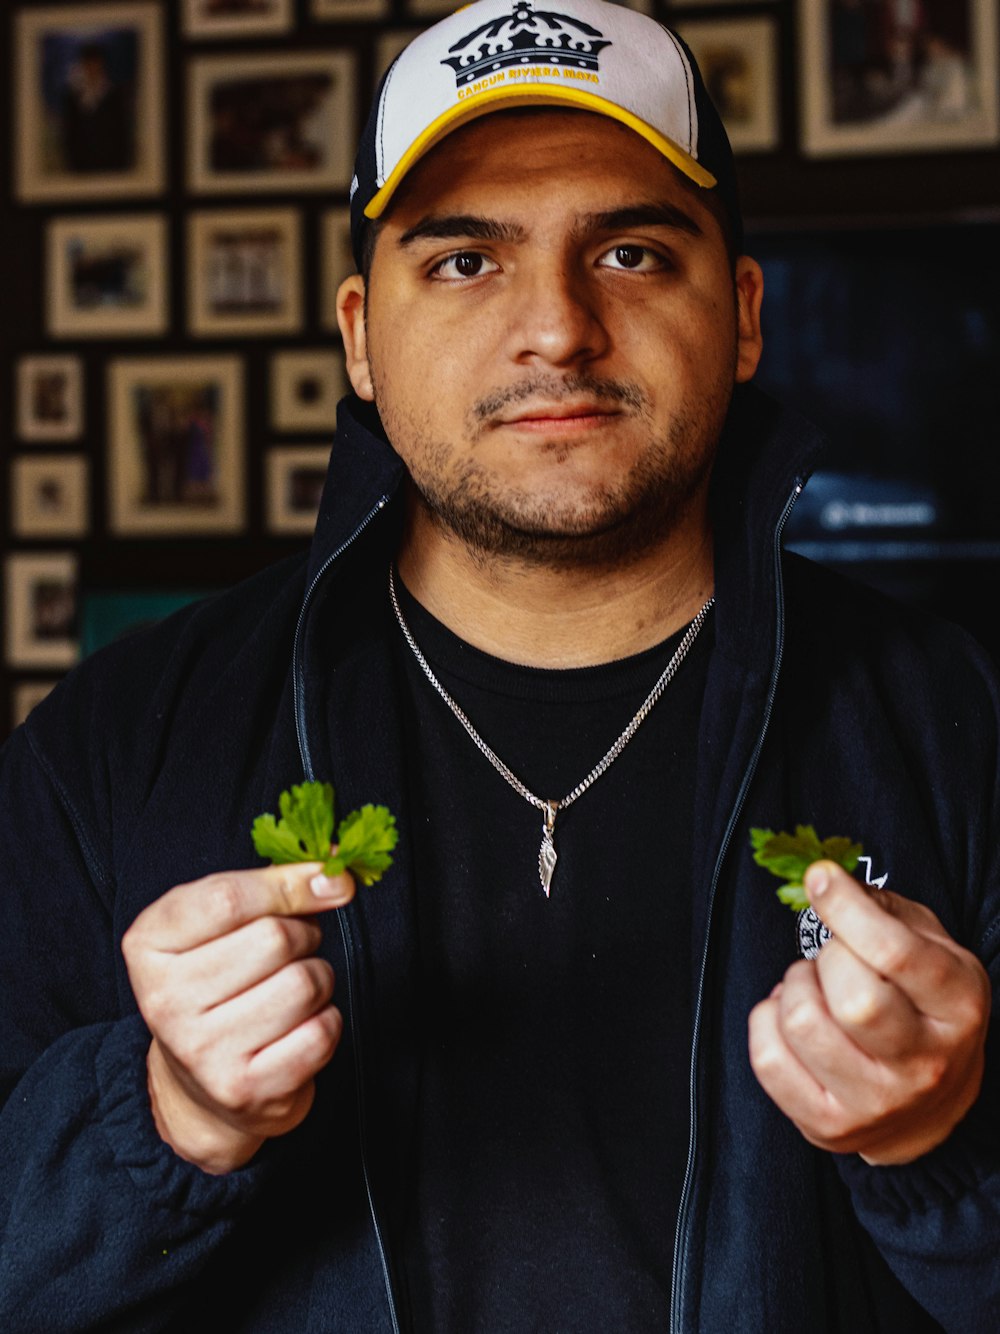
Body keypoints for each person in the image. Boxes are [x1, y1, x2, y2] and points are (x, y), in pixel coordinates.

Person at [1, 2, 997, 1330]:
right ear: (360, 334)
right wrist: (164, 1118)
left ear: (745, 315)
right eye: (465, 260)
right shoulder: (113, 744)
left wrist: (944, 1140)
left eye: (633, 251)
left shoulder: (959, 721)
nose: (557, 331)